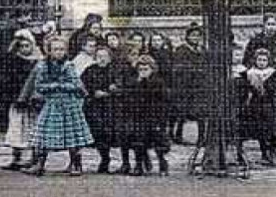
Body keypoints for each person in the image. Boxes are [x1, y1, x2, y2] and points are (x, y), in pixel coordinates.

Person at [18, 34, 93, 176]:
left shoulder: (69, 66)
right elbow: (39, 86)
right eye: (55, 49)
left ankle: (76, 163)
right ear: (49, 51)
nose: (59, 52)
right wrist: (54, 86)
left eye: (61, 49)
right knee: (43, 134)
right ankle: (39, 163)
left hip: (69, 104)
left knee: (72, 135)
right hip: (52, 103)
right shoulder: (42, 66)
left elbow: (76, 85)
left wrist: (62, 86)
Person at [0, 29, 43, 170]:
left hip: (32, 101)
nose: (24, 49)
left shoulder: (38, 62)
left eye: (27, 46)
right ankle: (16, 157)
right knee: (16, 129)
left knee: (33, 129)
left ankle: (34, 158)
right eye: (21, 46)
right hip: (17, 99)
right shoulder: (13, 61)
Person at [127, 54, 171, 175]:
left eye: (146, 69)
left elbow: (163, 102)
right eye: (140, 69)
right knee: (137, 140)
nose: (143, 72)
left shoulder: (158, 83)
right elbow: (131, 99)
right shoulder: (135, 82)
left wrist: (161, 119)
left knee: (159, 142)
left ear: (152, 69)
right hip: (139, 117)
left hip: (155, 117)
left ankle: (162, 163)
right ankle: (139, 164)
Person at [238, 46, 276, 165]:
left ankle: (271, 151)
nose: (261, 63)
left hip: (269, 103)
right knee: (260, 129)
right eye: (259, 60)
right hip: (255, 104)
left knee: (271, 128)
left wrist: (268, 87)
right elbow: (246, 87)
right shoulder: (250, 73)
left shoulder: (272, 73)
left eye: (264, 60)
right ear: (255, 60)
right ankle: (263, 151)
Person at [81, 45, 119, 174]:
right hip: (94, 106)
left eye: (105, 57)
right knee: (98, 132)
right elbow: (83, 85)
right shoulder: (89, 70)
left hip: (112, 106)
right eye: (99, 57)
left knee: (109, 132)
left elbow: (120, 85)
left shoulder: (115, 70)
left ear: (110, 58)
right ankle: (104, 157)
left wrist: (112, 90)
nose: (102, 59)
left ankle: (109, 157)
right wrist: (93, 92)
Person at [169, 23, 206, 145]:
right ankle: (177, 134)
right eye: (193, 35)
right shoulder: (181, 50)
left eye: (198, 36)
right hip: (184, 86)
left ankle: (201, 137)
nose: (195, 38)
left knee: (200, 112)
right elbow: (178, 68)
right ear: (188, 37)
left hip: (199, 86)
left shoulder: (202, 50)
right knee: (181, 113)